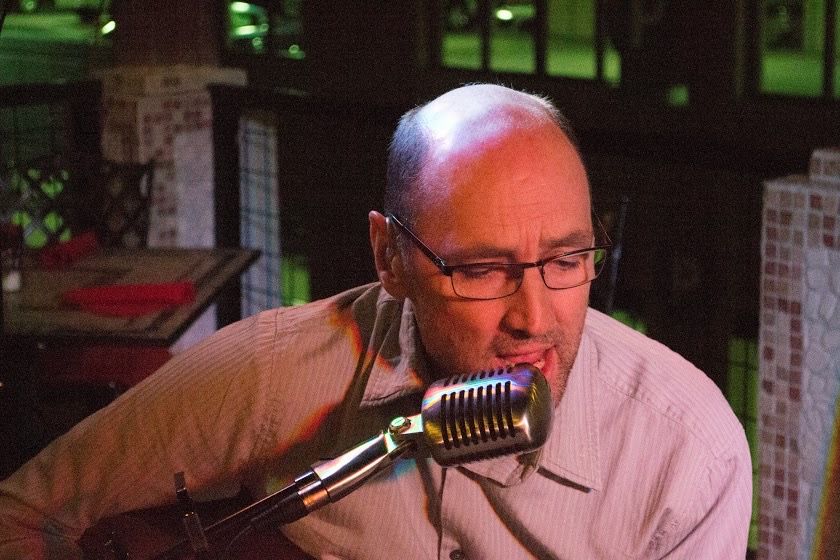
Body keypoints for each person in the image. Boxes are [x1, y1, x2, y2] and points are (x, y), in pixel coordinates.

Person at [0, 83, 752, 559]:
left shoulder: (689, 455)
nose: (534, 318)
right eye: (481, 270)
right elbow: (25, 513)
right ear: (389, 256)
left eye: (566, 259)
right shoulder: (274, 374)